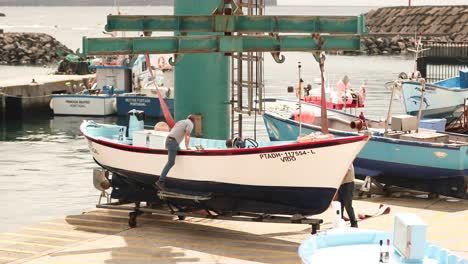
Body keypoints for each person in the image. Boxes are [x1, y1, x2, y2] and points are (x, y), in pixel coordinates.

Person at [155, 115, 195, 190]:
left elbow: (172, 132)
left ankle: (162, 180)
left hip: (170, 141)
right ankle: (160, 181)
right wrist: (187, 147)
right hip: (173, 143)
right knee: (171, 162)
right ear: (193, 121)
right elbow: (187, 135)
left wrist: (166, 145)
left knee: (179, 151)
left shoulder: (181, 121)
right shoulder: (190, 124)